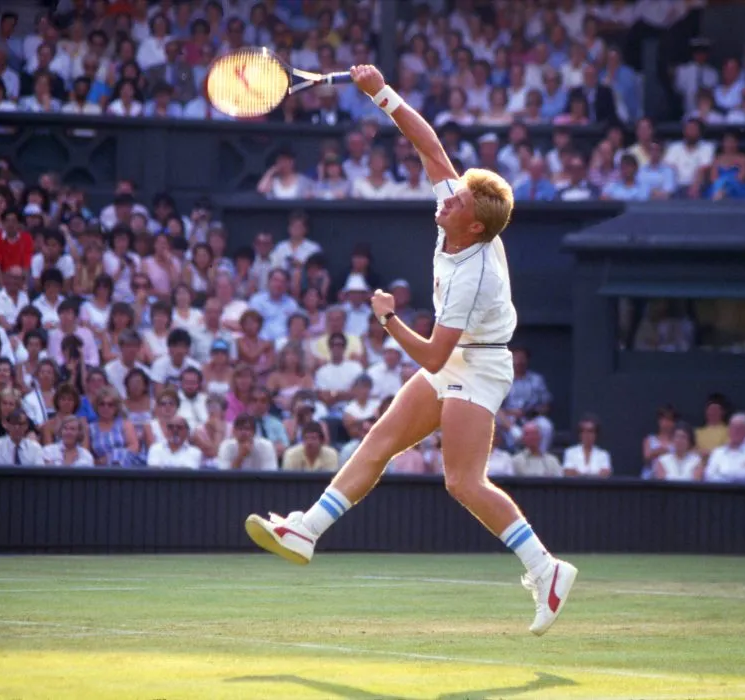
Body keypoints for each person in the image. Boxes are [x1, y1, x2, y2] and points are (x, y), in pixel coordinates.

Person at [244, 63, 577, 636]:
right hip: (459, 354)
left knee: (463, 482)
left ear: (475, 227)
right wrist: (381, 93)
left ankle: (546, 569)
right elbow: (430, 145)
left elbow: (432, 357)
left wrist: (388, 318)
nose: (445, 200)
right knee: (380, 441)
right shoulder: (461, 216)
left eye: (457, 202)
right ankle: (306, 531)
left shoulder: (473, 275)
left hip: (479, 365)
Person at [704, 413, 745, 484]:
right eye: (733, 427)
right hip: (720, 490)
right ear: (729, 430)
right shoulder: (717, 452)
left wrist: (723, 475)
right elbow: (709, 475)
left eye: (740, 428)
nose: (736, 431)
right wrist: (730, 480)